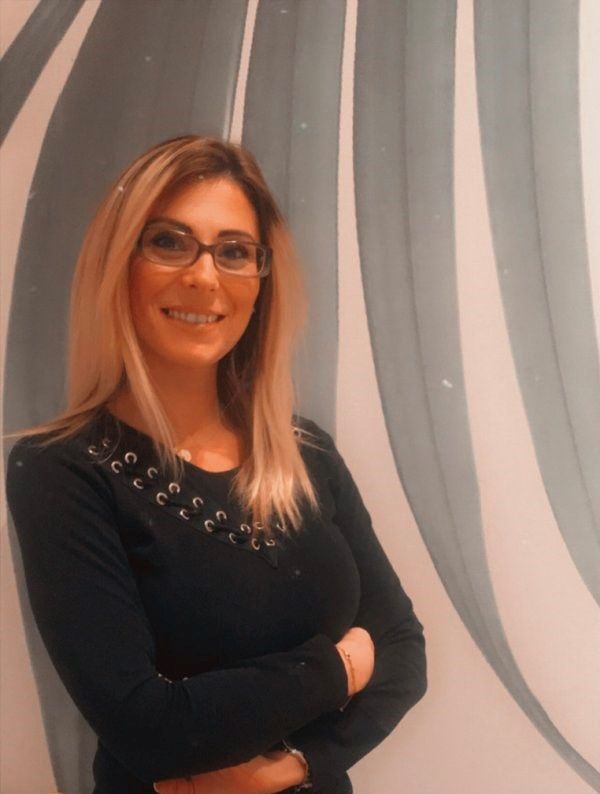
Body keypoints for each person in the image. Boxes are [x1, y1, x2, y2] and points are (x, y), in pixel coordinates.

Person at [5, 135, 426, 793]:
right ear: (119, 263)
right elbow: (147, 726)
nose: (205, 277)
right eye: (168, 242)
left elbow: (401, 650)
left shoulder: (304, 453)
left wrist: (289, 768)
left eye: (234, 251)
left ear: (261, 280)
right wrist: (339, 669)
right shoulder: (62, 469)